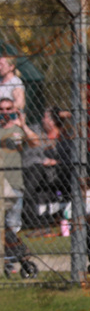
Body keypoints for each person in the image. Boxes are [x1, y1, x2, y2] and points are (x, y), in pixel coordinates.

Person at [0, 96, 40, 234]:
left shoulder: (19, 128)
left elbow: (35, 143)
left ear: (15, 110)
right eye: (1, 109)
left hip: (15, 182)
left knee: (13, 222)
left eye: (8, 109)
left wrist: (23, 124)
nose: (5, 112)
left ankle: (12, 253)